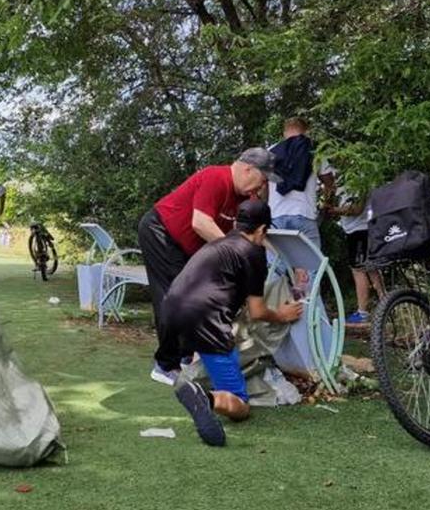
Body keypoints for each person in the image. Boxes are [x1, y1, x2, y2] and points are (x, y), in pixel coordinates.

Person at [163, 200, 303, 446]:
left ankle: (201, 386)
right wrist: (282, 315)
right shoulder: (253, 252)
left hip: (171, 311)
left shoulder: (219, 243)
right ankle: (205, 399)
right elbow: (257, 311)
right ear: (261, 230)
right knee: (241, 405)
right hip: (206, 321)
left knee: (221, 356)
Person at [137, 148, 278, 386]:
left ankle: (184, 356)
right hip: (161, 232)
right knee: (173, 296)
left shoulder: (245, 198)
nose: (262, 188)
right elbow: (201, 223)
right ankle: (165, 365)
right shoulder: (217, 177)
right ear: (248, 169)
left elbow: (252, 234)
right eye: (263, 180)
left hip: (186, 246)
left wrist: (280, 256)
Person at [321, 166, 384, 324]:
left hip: (361, 229)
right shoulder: (344, 177)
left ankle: (363, 312)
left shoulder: (359, 179)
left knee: (359, 270)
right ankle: (386, 304)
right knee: (371, 268)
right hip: (356, 230)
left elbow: (357, 209)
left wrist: (335, 211)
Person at [268, 117, 329, 250]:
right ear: (306, 131)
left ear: (284, 132)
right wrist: (326, 205)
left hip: (277, 214)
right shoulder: (315, 150)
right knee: (312, 264)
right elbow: (329, 181)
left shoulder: (271, 151)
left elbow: (261, 184)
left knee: (276, 266)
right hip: (304, 212)